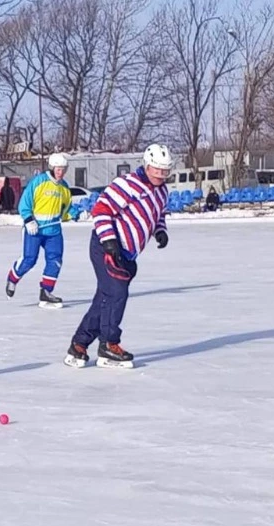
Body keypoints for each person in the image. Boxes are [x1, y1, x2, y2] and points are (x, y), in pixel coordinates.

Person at [64, 143, 172, 369]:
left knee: (104, 298)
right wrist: (109, 240)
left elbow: (157, 214)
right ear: (147, 165)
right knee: (116, 293)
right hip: (105, 245)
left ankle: (79, 345)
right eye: (157, 170)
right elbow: (101, 210)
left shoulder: (162, 191)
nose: (161, 175)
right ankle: (109, 345)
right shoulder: (127, 184)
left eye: (165, 171)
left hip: (127, 253)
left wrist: (160, 231)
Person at [5, 153, 71, 308]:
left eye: (63, 169)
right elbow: (24, 203)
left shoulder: (64, 188)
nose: (61, 172)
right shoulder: (39, 182)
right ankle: (12, 279)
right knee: (30, 260)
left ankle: (46, 292)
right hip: (34, 229)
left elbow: (65, 209)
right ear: (52, 168)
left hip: (53, 231)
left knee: (55, 260)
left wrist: (74, 213)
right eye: (58, 169)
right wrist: (28, 220)